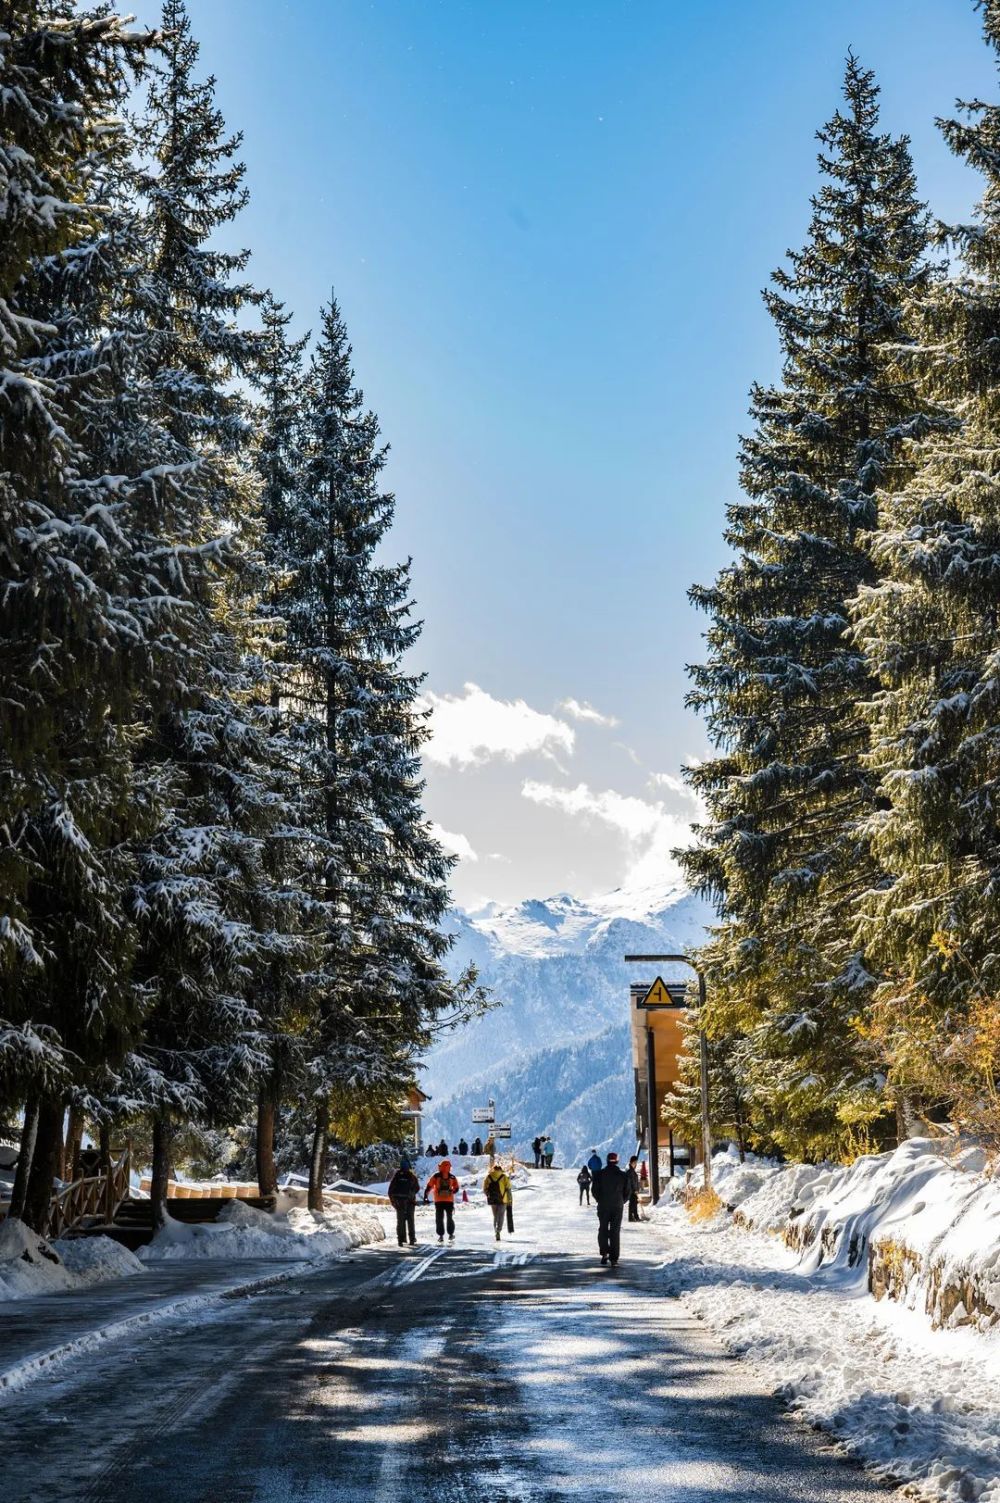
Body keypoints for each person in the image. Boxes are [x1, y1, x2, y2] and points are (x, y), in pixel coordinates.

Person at [592, 1151, 629, 1267]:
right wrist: (621, 1201)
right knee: (615, 1231)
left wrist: (600, 1200)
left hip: (603, 1205)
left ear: (607, 1161)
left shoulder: (600, 1174)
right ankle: (614, 1259)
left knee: (603, 1229)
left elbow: (594, 1190)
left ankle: (604, 1253)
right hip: (617, 1206)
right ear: (617, 1161)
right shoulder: (623, 1175)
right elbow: (628, 1192)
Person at [387, 1155, 420, 1247]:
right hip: (410, 1202)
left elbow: (390, 1190)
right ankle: (412, 1239)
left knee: (400, 1221)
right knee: (410, 1220)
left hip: (399, 1202)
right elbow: (417, 1188)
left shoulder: (396, 1176)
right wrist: (411, 1195)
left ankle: (400, 1240)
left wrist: (394, 1202)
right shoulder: (411, 1176)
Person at [424, 1159, 459, 1242]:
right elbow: (456, 1188)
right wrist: (452, 1192)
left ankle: (441, 1235)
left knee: (439, 1218)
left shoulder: (436, 1176)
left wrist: (425, 1197)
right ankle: (450, 1234)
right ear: (449, 1167)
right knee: (449, 1217)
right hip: (449, 1201)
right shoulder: (452, 1176)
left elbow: (429, 1186)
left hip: (438, 1201)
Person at [483, 1162, 512, 1241]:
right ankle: (499, 1230)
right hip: (503, 1200)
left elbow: (485, 1188)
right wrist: (509, 1199)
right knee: (501, 1215)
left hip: (493, 1200)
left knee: (495, 1215)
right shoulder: (504, 1177)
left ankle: (496, 1229)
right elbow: (509, 1187)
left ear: (493, 1169)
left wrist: (488, 1195)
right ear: (500, 1169)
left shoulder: (488, 1177)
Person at [626, 1155, 641, 1222]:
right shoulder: (630, 1172)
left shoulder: (632, 1171)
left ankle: (635, 1216)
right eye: (635, 1162)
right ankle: (631, 1217)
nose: (636, 1164)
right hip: (632, 1191)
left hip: (634, 1190)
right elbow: (631, 1182)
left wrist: (637, 1189)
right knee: (632, 1204)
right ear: (632, 1162)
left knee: (634, 1203)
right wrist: (635, 1189)